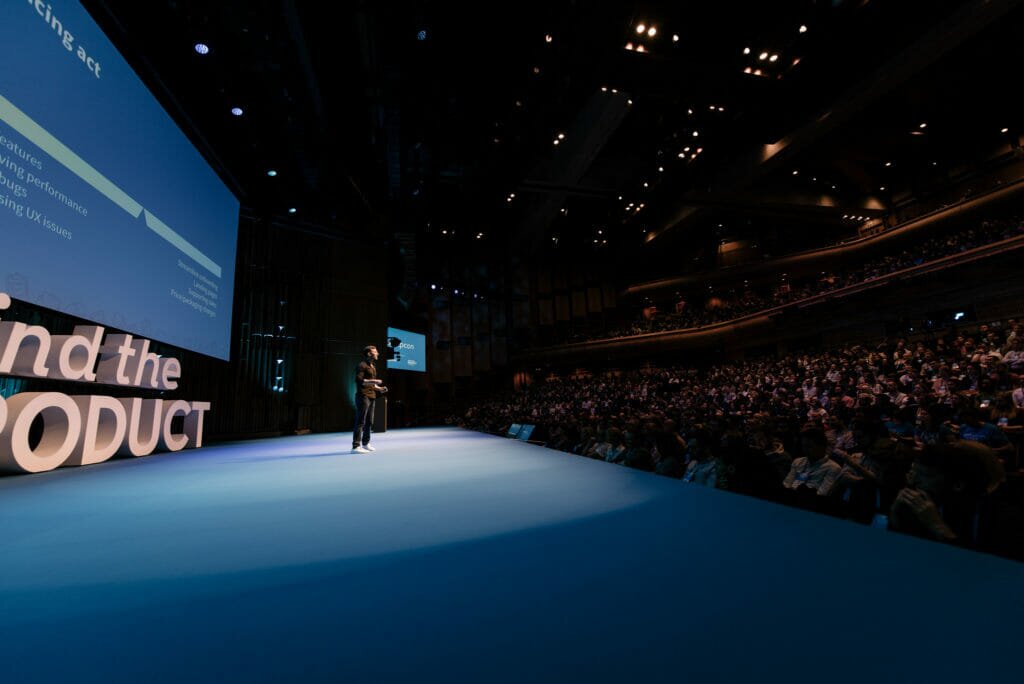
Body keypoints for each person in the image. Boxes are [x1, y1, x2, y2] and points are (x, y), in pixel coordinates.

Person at [352, 345, 386, 453]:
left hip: (372, 396)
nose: (378, 353)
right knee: (360, 421)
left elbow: (371, 384)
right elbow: (359, 381)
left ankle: (366, 443)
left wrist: (379, 388)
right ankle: (356, 446)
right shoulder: (362, 365)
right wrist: (376, 381)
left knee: (369, 422)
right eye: (375, 352)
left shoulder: (373, 366)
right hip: (363, 396)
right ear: (369, 354)